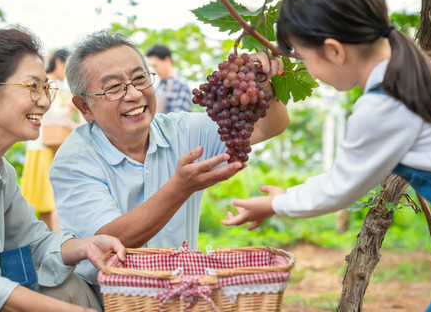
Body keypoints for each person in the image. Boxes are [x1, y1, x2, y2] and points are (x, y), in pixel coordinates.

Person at [220, 0, 431, 311]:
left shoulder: (384, 103)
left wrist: (274, 204)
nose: (305, 68)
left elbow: (340, 187)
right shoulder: (427, 73)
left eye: (303, 56)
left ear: (333, 50)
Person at [49, 30, 289, 290]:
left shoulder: (181, 131)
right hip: (104, 299)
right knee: (62, 293)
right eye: (114, 87)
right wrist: (181, 187)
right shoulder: (74, 160)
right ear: (85, 107)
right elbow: (107, 244)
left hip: (179, 296)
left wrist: (261, 80)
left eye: (140, 78)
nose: (134, 94)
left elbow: (268, 127)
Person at [0, 28, 126, 312]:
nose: (44, 101)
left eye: (46, 87)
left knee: (66, 286)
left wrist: (87, 245)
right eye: (32, 87)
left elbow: (35, 243)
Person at [21, 49, 78, 231]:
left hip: (38, 147)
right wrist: (70, 103)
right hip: (44, 147)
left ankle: (48, 243)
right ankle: (59, 243)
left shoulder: (46, 83)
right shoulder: (50, 83)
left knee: (43, 204)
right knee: (53, 202)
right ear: (60, 63)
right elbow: (53, 114)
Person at [146, 44, 192, 113]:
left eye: (155, 66)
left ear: (167, 60)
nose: (154, 70)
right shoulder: (159, 87)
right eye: (152, 67)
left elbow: (178, 121)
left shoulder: (180, 86)